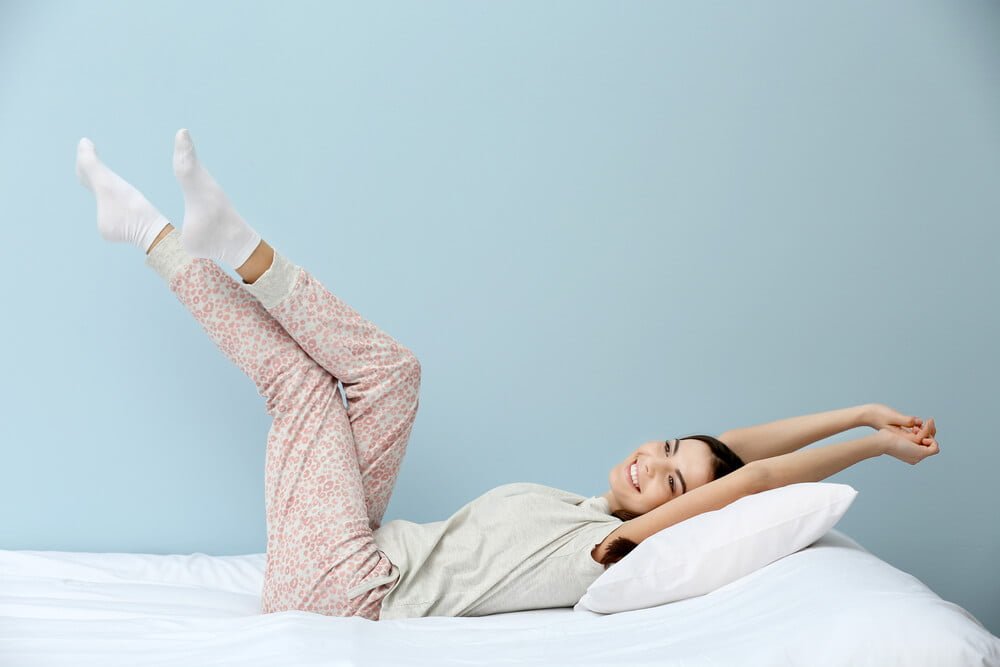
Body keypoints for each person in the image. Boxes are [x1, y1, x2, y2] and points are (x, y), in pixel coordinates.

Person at [76, 130, 941, 622]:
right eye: (667, 447)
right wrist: (860, 405)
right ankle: (223, 243)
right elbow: (734, 447)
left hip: (343, 590)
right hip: (357, 547)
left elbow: (751, 479)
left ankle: (159, 236)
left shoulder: (609, 550)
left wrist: (871, 446)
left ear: (671, 514)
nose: (652, 464)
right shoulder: (589, 505)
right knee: (393, 377)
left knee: (304, 389)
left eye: (670, 484)